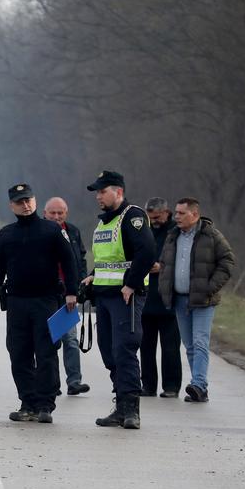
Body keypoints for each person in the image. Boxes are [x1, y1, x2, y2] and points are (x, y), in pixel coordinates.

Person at [0, 183, 78, 423]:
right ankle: (27, 403)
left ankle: (45, 404)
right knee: (19, 353)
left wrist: (71, 292)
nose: (25, 205)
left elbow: (70, 261)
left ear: (35, 201)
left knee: (46, 353)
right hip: (16, 302)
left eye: (28, 200)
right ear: (12, 206)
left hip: (46, 301)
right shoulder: (6, 234)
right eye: (20, 202)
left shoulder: (51, 230)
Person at [82, 170, 155, 430]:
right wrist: (92, 276)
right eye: (97, 192)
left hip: (126, 297)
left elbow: (147, 252)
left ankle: (131, 410)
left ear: (119, 192)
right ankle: (120, 406)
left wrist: (131, 284)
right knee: (109, 353)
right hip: (104, 297)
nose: (98, 196)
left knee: (124, 351)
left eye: (103, 191)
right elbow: (107, 261)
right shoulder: (104, 222)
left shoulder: (132, 216)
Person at [156, 197, 235, 403]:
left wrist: (209, 287)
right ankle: (199, 388)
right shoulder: (173, 236)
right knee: (189, 344)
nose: (177, 216)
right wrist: (165, 287)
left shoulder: (211, 235)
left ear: (195, 214)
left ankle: (199, 384)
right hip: (180, 299)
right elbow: (165, 263)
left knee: (200, 342)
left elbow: (227, 261)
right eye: (176, 212)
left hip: (203, 300)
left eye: (182, 213)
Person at [42, 196, 90, 395]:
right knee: (50, 341)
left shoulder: (73, 232)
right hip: (46, 295)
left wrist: (80, 287)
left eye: (60, 213)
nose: (56, 216)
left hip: (68, 295)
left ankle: (74, 381)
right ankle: (51, 384)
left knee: (70, 340)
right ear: (44, 214)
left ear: (66, 213)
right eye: (52, 213)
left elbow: (80, 260)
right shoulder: (40, 232)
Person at [141, 197, 182, 397]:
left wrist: (163, 267)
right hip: (146, 298)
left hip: (169, 298)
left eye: (157, 217)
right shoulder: (143, 229)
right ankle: (148, 386)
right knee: (145, 346)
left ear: (166, 213)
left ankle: (171, 387)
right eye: (150, 217)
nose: (154, 221)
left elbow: (184, 261)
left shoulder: (176, 231)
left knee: (171, 348)